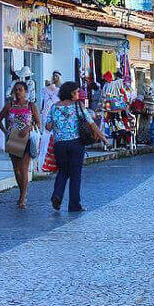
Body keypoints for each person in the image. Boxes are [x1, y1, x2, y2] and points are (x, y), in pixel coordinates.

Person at [46, 81, 107, 211]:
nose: (78, 94)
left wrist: (57, 125)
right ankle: (74, 205)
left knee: (63, 171)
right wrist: (103, 138)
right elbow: (91, 123)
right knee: (75, 174)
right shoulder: (78, 106)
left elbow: (47, 126)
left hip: (60, 144)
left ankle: (57, 194)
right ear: (70, 93)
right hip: (76, 143)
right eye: (76, 92)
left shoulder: (54, 107)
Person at [0, 81, 41, 209]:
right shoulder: (9, 105)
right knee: (16, 170)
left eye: (20, 89)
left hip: (26, 137)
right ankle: (22, 192)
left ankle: (23, 196)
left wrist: (30, 127)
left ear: (26, 92)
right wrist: (6, 132)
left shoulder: (31, 106)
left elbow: (38, 123)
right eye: (16, 90)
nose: (18, 92)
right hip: (13, 137)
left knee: (24, 168)